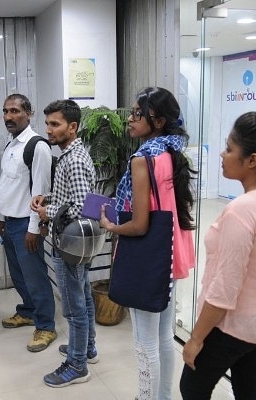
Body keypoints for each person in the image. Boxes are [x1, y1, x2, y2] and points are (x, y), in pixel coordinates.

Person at [180, 112, 256, 399]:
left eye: (229, 148)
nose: (223, 155)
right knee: (248, 390)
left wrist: (196, 338)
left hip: (231, 327)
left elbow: (225, 290)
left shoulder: (242, 210)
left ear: (252, 160)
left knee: (192, 387)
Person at [99, 87, 196, 399]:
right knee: (165, 336)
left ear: (158, 121)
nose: (130, 119)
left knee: (145, 344)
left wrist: (111, 224)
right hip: (170, 254)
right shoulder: (171, 152)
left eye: (137, 114)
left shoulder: (143, 159)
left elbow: (139, 224)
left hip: (148, 259)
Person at [30, 99, 97, 387]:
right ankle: (87, 348)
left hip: (70, 243)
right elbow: (71, 198)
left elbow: (81, 208)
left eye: (55, 124)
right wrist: (48, 198)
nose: (49, 130)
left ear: (72, 127)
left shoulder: (76, 160)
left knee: (73, 307)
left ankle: (77, 364)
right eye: (47, 124)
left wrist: (47, 212)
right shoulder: (70, 156)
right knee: (83, 295)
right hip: (72, 242)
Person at [0, 94, 57, 352]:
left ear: (28, 113)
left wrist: (34, 228)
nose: (9, 117)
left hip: (26, 224)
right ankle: (29, 310)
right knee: (19, 275)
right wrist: (3, 218)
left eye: (15, 111)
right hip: (10, 222)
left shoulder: (37, 146)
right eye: (5, 111)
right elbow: (12, 184)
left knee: (35, 277)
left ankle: (45, 327)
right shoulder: (12, 145)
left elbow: (40, 193)